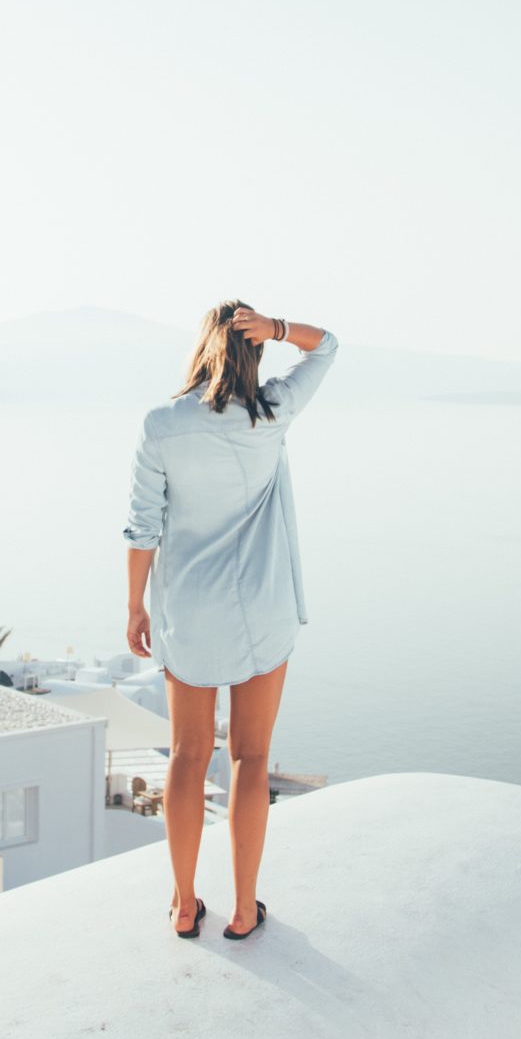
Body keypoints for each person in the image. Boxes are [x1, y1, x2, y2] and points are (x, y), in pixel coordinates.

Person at [122, 302, 338, 942]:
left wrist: (135, 606)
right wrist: (277, 327)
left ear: (202, 348)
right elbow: (326, 346)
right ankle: (245, 910)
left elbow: (142, 526)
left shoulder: (161, 424)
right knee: (251, 757)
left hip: (190, 611)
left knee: (189, 755)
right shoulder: (270, 414)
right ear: (252, 351)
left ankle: (185, 904)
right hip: (262, 611)